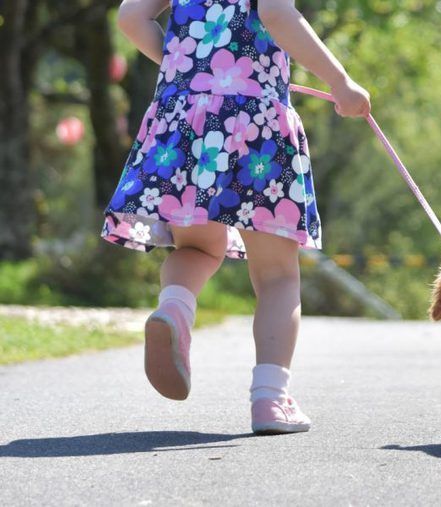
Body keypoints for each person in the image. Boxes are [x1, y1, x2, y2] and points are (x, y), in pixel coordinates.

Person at [103, 0, 370, 434]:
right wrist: (340, 83)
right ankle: (270, 398)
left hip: (186, 121)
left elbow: (131, 17)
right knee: (278, 276)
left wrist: (188, 65)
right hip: (256, 125)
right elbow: (279, 14)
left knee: (195, 247)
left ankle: (174, 309)